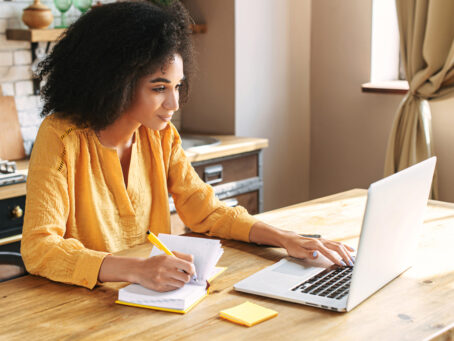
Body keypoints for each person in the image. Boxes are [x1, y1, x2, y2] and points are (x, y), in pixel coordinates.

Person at [21, 1, 354, 292]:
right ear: (115, 82)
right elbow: (40, 248)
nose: (174, 103)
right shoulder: (61, 137)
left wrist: (285, 239)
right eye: (159, 88)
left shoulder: (159, 135)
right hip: (84, 307)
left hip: (157, 295)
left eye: (178, 86)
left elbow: (206, 211)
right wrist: (137, 270)